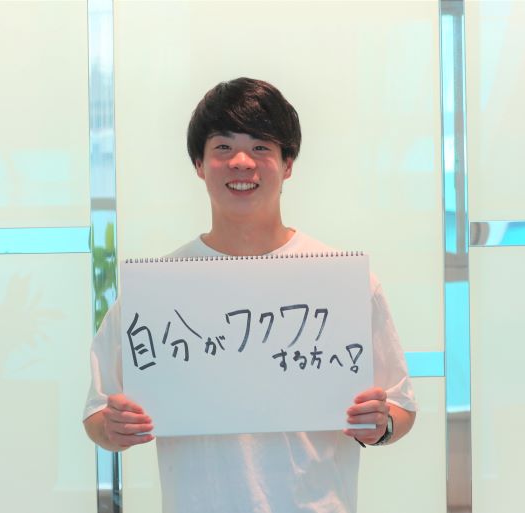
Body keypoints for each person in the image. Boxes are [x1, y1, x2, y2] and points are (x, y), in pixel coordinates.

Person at [83, 77, 417, 513]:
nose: (242, 162)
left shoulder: (343, 282)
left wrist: (382, 424)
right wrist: (113, 428)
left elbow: (400, 403)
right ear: (199, 164)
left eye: (261, 147)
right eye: (223, 147)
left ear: (288, 164)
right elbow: (97, 412)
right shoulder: (157, 290)